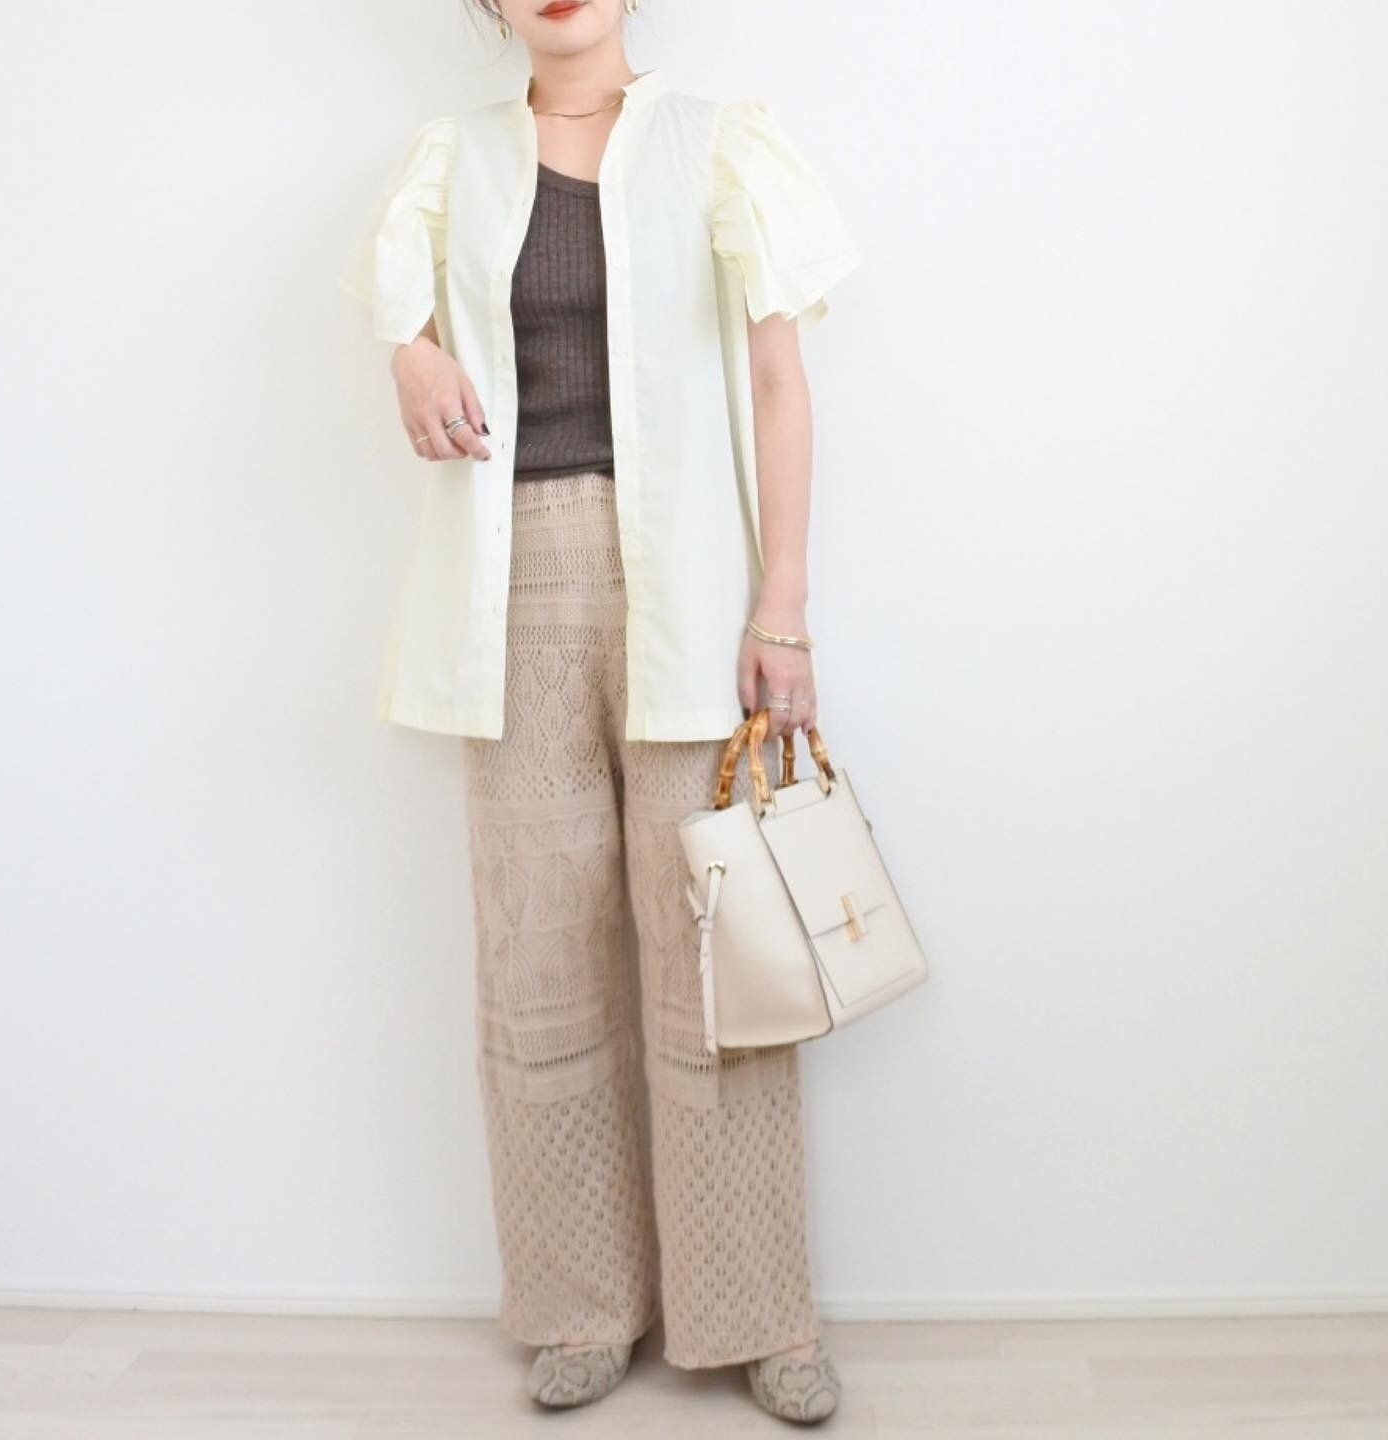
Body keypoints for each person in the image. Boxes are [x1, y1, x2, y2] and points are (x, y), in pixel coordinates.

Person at [338, 0, 859, 1422]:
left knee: (718, 962)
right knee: (538, 962)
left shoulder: (719, 144)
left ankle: (759, 1311)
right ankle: (580, 1303)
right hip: (510, 586)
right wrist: (411, 352)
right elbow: (394, 304)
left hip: (690, 584)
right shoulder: (450, 160)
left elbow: (778, 381)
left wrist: (783, 603)